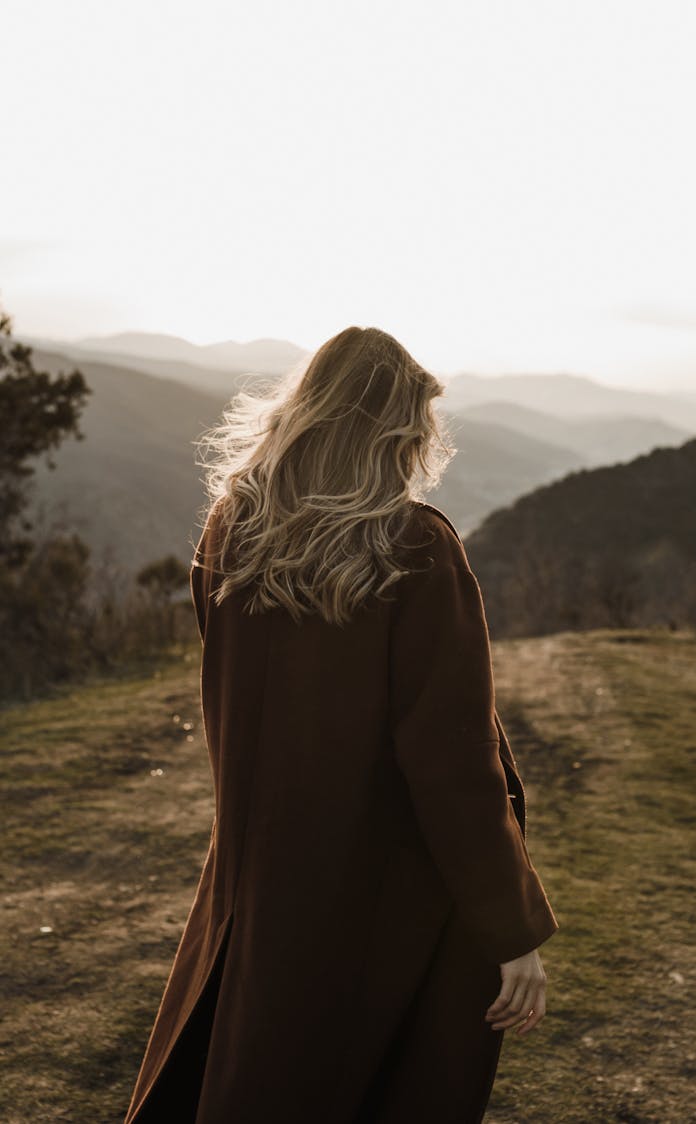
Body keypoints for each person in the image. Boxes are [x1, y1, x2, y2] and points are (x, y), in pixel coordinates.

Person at [123, 326, 559, 1124]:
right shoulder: (415, 550)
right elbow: (454, 767)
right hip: (373, 898)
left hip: (257, 881)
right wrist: (512, 929)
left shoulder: (232, 528)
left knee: (248, 1072)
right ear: (393, 431)